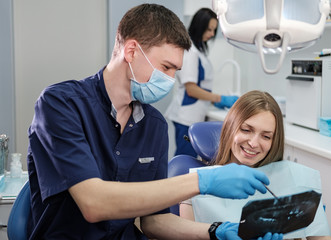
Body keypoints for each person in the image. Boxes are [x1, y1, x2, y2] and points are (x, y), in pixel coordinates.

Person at [26, 4, 283, 240]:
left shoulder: (154, 125)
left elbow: (154, 221)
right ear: (131, 51)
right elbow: (94, 204)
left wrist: (218, 231)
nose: (171, 80)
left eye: (176, 71)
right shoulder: (61, 104)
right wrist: (202, 181)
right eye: (166, 67)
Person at [180, 90, 331, 240]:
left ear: (274, 141)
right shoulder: (196, 187)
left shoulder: (297, 179)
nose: (253, 143)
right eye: (246, 130)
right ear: (230, 127)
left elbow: (322, 237)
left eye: (266, 136)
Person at [165, 8, 239, 157]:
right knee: (185, 160)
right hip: (186, 117)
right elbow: (191, 89)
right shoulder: (190, 52)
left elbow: (201, 86)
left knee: (188, 158)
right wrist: (220, 98)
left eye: (214, 30)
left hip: (192, 115)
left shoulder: (197, 51)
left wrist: (214, 101)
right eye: (209, 29)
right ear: (200, 26)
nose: (212, 34)